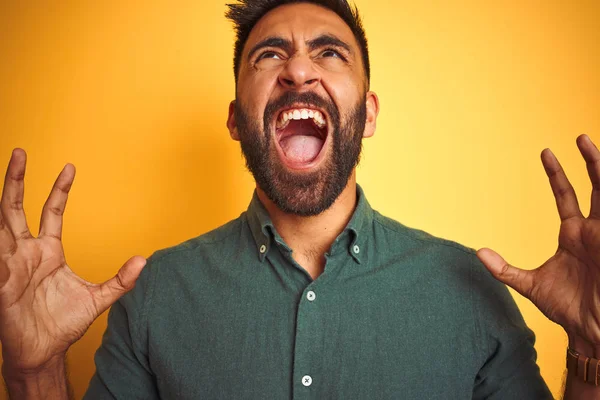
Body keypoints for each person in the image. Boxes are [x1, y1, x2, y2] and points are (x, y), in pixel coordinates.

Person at [0, 0, 598, 398]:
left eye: (329, 52)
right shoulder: (153, 295)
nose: (297, 72)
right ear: (237, 120)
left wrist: (593, 351)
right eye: (270, 54)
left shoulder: (471, 290)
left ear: (366, 115)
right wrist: (33, 373)